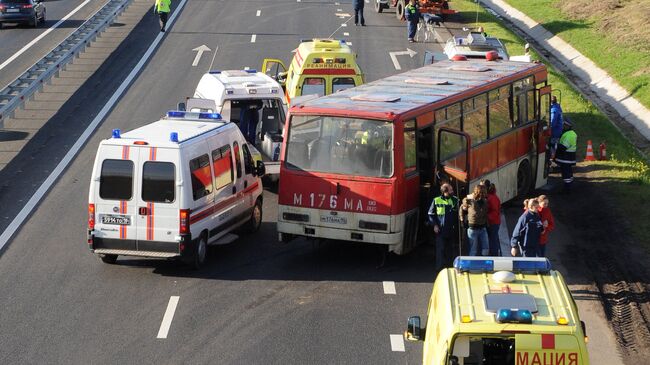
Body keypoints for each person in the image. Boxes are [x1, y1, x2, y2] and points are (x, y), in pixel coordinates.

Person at [428, 183, 459, 270]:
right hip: (440, 230)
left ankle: (450, 268)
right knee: (440, 250)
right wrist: (434, 225)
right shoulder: (436, 200)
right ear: (445, 191)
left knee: (450, 251)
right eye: (451, 190)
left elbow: (460, 213)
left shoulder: (455, 200)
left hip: (451, 230)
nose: (452, 191)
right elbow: (430, 214)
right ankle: (439, 269)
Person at [460, 185, 489, 256]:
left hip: (482, 228)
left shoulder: (485, 201)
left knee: (485, 248)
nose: (485, 194)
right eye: (483, 192)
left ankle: (484, 264)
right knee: (473, 250)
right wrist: (462, 219)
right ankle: (472, 266)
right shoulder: (469, 200)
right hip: (473, 228)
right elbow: (462, 208)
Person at [555, 119, 577, 193]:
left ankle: (567, 189)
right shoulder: (571, 133)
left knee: (566, 173)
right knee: (568, 172)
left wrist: (553, 145)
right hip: (569, 158)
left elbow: (563, 147)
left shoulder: (569, 135)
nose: (563, 126)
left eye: (564, 125)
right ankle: (569, 185)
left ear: (568, 126)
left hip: (566, 158)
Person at [485, 181, 502, 256]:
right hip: (495, 222)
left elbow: (494, 212)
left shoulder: (491, 198)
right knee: (494, 238)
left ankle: (494, 255)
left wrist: (486, 217)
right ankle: (494, 253)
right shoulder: (494, 197)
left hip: (493, 222)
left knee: (493, 239)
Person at [549, 96, 564, 160]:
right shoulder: (557, 107)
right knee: (555, 145)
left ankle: (554, 158)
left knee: (553, 145)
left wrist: (548, 128)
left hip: (555, 131)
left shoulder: (554, 110)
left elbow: (552, 122)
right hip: (558, 130)